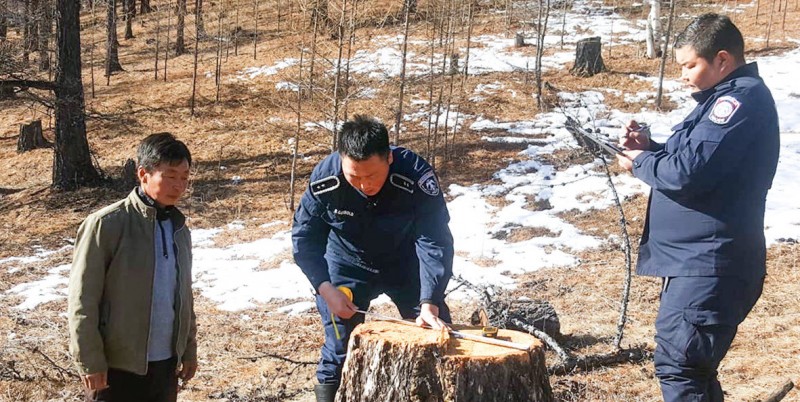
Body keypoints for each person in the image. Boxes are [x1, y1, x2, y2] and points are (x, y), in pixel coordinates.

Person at [617, 13, 780, 402]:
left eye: (690, 65)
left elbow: (687, 172)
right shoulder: (723, 100)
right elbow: (696, 162)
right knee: (692, 370)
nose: (683, 76)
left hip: (711, 262)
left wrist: (640, 163)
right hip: (700, 261)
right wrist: (650, 149)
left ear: (722, 59)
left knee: (681, 368)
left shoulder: (737, 101)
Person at [292, 115, 454, 402]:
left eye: (371, 176)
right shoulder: (326, 179)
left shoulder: (415, 176)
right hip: (346, 264)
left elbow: (434, 239)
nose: (364, 185)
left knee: (435, 335)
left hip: (406, 264)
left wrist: (430, 299)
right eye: (354, 176)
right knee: (339, 347)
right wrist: (325, 288)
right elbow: (305, 239)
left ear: (389, 158)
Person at [68, 133, 198, 402]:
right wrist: (89, 359)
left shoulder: (179, 229)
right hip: (116, 368)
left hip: (165, 366)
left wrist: (188, 349)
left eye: (184, 177)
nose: (178, 185)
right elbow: (83, 299)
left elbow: (184, 296)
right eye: (170, 176)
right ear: (143, 174)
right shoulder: (107, 225)